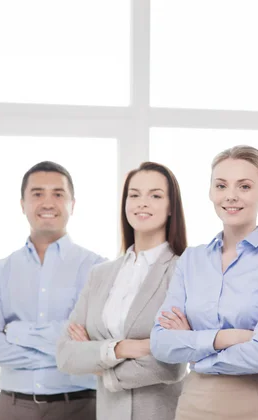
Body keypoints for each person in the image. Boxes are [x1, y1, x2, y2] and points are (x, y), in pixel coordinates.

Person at [150, 145, 258, 420]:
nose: (231, 196)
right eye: (221, 185)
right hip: (194, 404)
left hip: (257, 404)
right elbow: (161, 343)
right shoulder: (191, 260)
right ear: (211, 192)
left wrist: (194, 350)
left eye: (245, 186)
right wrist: (229, 337)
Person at [0, 161, 105, 420]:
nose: (47, 202)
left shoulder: (97, 268)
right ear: (22, 204)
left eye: (58, 193)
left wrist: (17, 332)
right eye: (37, 193)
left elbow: (96, 341)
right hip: (12, 408)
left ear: (72, 204)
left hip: (80, 407)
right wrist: (66, 356)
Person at [56, 162, 188, 420]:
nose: (142, 203)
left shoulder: (183, 271)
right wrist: (123, 348)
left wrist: (98, 361)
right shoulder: (100, 274)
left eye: (155, 195)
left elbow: (172, 365)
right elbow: (65, 354)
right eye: (134, 194)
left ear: (172, 206)